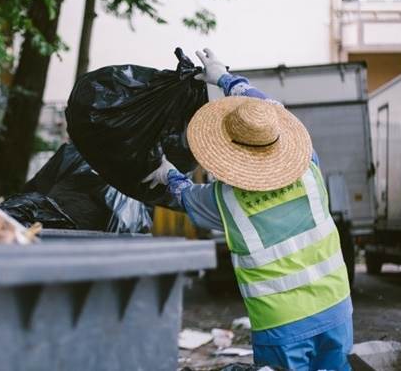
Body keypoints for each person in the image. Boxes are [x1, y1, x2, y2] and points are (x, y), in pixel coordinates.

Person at [143, 48, 353, 371]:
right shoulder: (309, 166)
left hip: (281, 324)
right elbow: (270, 110)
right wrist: (225, 78)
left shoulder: (225, 200)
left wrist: (165, 171)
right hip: (336, 308)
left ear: (229, 149)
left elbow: (184, 195)